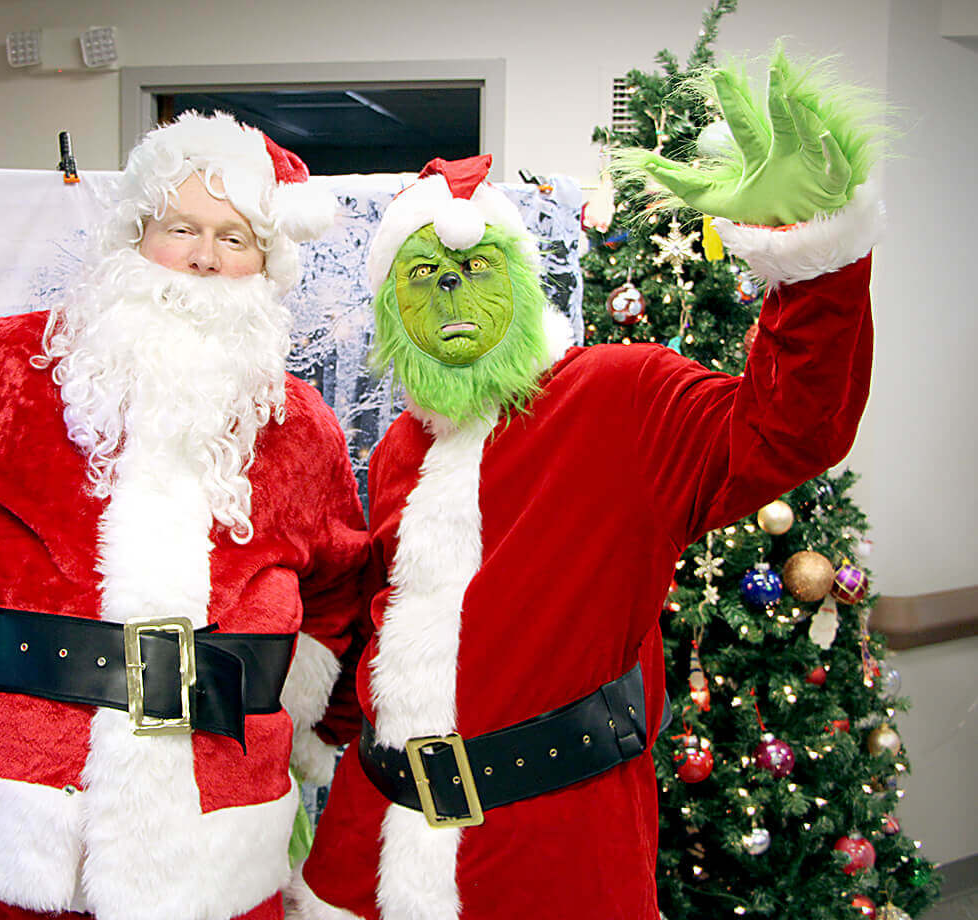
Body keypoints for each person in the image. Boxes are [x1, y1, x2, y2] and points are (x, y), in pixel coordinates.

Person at [291, 53, 883, 919]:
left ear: (527, 287)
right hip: (368, 848)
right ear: (391, 316)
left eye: (479, 266)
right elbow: (385, 635)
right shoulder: (399, 452)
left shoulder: (621, 395)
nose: (454, 290)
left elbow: (790, 429)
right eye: (423, 274)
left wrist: (814, 262)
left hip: (548, 851)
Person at [0, 111, 369, 920]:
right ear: (135, 234)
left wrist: (283, 709)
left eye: (235, 239)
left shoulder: (300, 423)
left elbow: (339, 584)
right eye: (182, 227)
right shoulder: (7, 363)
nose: (204, 257)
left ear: (266, 263)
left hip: (215, 820)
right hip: (18, 809)